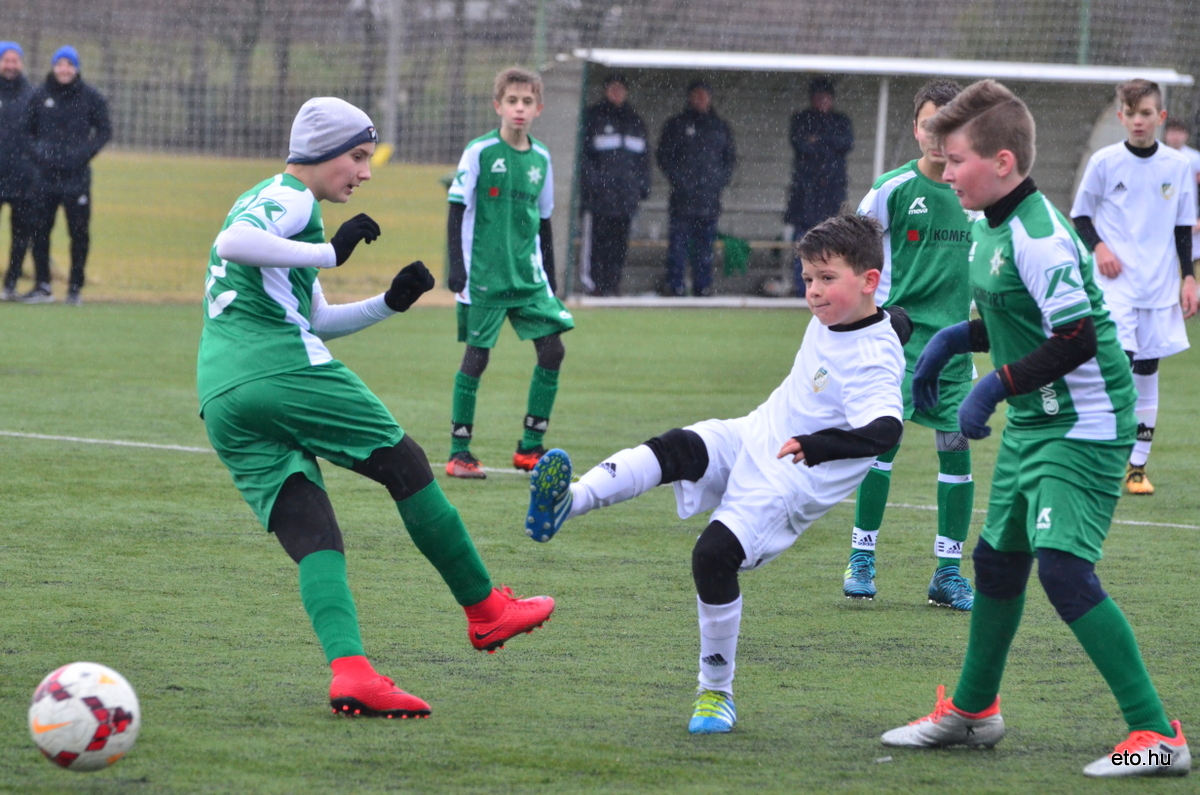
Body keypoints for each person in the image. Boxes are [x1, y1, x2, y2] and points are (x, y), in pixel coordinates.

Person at [198, 97, 555, 718]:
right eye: (357, 156)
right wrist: (332, 254)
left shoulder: (276, 205)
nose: (365, 172)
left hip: (222, 391)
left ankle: (352, 673)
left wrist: (388, 302)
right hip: (277, 367)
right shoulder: (293, 197)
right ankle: (486, 610)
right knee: (406, 462)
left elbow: (310, 318)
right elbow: (233, 242)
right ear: (320, 153)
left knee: (313, 529)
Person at [883, 79, 1190, 778]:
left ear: (998, 161)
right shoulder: (989, 223)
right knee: (995, 561)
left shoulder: (1040, 233)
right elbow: (1005, 320)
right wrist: (947, 347)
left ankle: (1157, 731)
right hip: (1036, 418)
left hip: (1083, 420)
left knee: (1062, 567)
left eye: (955, 158)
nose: (945, 169)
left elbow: (1079, 336)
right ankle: (972, 711)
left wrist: (993, 384)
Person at [524, 214, 910, 734]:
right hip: (756, 432)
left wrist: (818, 446)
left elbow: (885, 431)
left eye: (826, 280)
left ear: (868, 281)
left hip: (788, 481)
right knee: (676, 448)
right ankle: (571, 500)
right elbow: (895, 322)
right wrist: (921, 328)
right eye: (808, 279)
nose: (813, 294)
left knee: (712, 557)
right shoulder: (850, 316)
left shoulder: (871, 361)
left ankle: (715, 694)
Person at [846, 79, 977, 610]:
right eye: (928, 123)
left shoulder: (978, 192)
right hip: (895, 345)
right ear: (915, 127)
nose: (937, 135)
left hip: (955, 348)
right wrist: (868, 315)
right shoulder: (893, 188)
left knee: (956, 452)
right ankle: (862, 558)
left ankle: (947, 573)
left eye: (947, 125)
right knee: (882, 448)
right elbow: (850, 252)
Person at [445, 67, 573, 478]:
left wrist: (550, 279)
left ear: (539, 108)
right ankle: (459, 452)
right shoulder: (480, 152)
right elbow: (456, 208)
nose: (520, 108)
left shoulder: (542, 158)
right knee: (477, 358)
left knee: (553, 350)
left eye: (527, 102)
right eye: (512, 101)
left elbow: (546, 220)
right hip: (486, 274)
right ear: (498, 105)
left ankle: (530, 447)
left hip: (528, 277)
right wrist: (457, 268)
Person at [1070, 80, 1197, 495]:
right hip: (1115, 287)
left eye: (1146, 113)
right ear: (1121, 117)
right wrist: (1101, 249)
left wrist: (1189, 277)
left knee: (1147, 371)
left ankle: (1136, 468)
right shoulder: (1105, 162)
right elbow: (1082, 217)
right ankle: (1102, 457)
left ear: (1160, 117)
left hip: (1159, 289)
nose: (1138, 121)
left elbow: (1183, 227)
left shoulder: (1176, 167)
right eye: (1131, 113)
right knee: (1116, 366)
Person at [22, 46, 112, 305]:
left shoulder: (91, 97)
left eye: (69, 64)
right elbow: (26, 132)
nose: (64, 69)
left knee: (79, 232)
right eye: (60, 64)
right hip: (44, 178)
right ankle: (42, 286)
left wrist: (83, 154)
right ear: (53, 67)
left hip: (76, 178)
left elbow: (104, 132)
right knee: (39, 231)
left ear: (76, 67)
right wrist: (40, 154)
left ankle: (74, 288)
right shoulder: (39, 96)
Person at [656, 80, 736, 297]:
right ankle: (675, 285)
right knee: (678, 246)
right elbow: (664, 156)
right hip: (682, 198)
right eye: (696, 95)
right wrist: (680, 180)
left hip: (709, 199)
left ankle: (703, 286)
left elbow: (729, 161)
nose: (700, 99)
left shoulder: (719, 127)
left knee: (705, 248)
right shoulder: (677, 125)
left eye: (704, 95)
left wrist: (716, 182)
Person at [579, 73, 651, 297]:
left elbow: (644, 160)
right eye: (612, 88)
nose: (617, 93)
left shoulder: (635, 121)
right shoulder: (592, 118)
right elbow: (583, 157)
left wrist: (641, 187)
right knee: (598, 244)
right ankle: (595, 285)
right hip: (599, 199)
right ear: (605, 91)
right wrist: (595, 184)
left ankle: (613, 285)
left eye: (621, 89)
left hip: (626, 198)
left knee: (619, 245)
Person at [785, 77, 854, 297]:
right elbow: (801, 144)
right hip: (806, 193)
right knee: (805, 241)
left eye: (825, 97)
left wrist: (819, 140)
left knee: (832, 242)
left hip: (832, 193)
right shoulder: (801, 120)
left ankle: (830, 285)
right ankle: (801, 286)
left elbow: (844, 144)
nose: (821, 101)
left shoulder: (841, 121)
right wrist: (824, 144)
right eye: (818, 97)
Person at [0, 41, 37, 301]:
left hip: (24, 178)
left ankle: (10, 284)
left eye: (15, 60)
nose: (10, 65)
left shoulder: (32, 95)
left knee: (20, 235)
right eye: (6, 60)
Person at [1163, 117, 1200, 285]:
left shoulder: (1195, 159)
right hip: (1164, 223)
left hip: (1192, 224)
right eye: (1172, 132)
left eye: (1179, 132)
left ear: (1186, 135)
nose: (1175, 137)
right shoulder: (1159, 157)